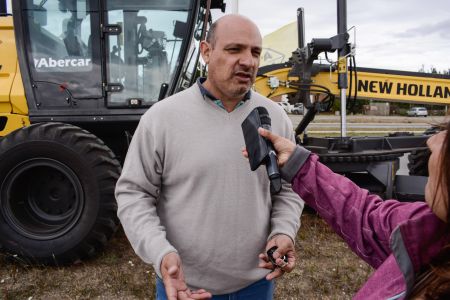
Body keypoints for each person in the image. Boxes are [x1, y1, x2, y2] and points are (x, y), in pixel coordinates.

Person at [115, 14, 304, 300]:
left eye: (255, 52)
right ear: (206, 51)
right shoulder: (162, 118)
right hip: (182, 284)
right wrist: (161, 253)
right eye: (234, 49)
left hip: (256, 284)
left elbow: (290, 187)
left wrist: (284, 232)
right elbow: (133, 194)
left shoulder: (276, 117)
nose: (248, 61)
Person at [246, 122, 450, 299]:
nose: (433, 140)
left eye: (448, 136)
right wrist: (298, 164)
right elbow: (365, 217)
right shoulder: (430, 229)